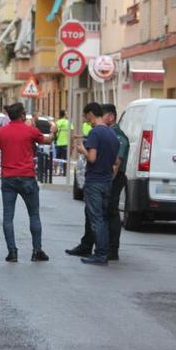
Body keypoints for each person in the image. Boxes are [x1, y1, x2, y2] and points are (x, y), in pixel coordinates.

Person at [0, 103, 54, 263]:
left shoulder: (0, 132)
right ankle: (37, 251)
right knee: (34, 215)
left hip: (8, 179)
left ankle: (12, 252)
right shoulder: (30, 130)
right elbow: (47, 140)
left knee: (8, 217)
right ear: (22, 115)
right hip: (27, 177)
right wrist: (53, 131)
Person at [65, 103, 128, 261]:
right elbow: (115, 161)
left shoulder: (95, 133)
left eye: (86, 116)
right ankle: (104, 251)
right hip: (107, 180)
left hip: (95, 180)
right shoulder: (112, 134)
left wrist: (82, 150)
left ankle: (100, 253)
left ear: (91, 114)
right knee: (103, 218)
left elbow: (92, 158)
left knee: (96, 218)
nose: (86, 120)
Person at [54, 110, 72, 175]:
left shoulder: (57, 122)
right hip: (66, 143)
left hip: (58, 143)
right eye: (66, 114)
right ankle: (65, 172)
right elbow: (71, 134)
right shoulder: (68, 122)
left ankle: (55, 171)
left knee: (56, 158)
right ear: (64, 115)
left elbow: (54, 132)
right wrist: (72, 144)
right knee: (65, 159)